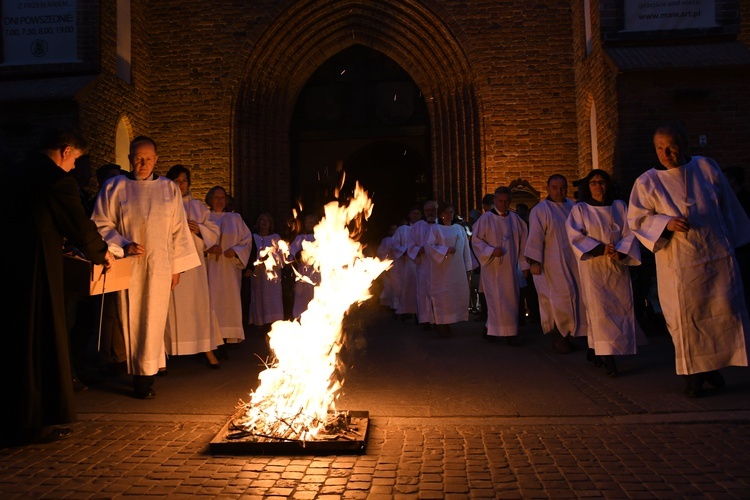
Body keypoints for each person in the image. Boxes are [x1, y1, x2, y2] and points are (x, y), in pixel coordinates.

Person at [2, 128, 114, 446]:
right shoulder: (56, 179)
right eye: (75, 159)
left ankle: (10, 419)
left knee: (13, 345)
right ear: (65, 151)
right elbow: (78, 224)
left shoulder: (15, 171)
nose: (74, 167)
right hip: (36, 273)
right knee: (39, 343)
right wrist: (101, 253)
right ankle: (35, 424)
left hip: (9, 272)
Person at [628, 122, 750, 397]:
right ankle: (692, 375)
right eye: (660, 148)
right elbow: (637, 219)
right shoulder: (647, 182)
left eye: (671, 147)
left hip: (715, 258)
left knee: (719, 314)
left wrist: (736, 242)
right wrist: (665, 224)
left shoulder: (706, 168)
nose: (666, 153)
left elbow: (728, 205)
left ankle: (711, 366)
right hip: (678, 265)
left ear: (684, 145)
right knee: (686, 319)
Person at [91, 136, 200, 400]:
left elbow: (178, 231)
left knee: (153, 317)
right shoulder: (114, 187)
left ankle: (146, 376)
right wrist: (122, 244)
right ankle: (137, 369)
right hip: (129, 264)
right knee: (130, 316)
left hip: (160, 264)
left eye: (148, 159)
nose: (143, 163)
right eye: (138, 158)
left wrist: (177, 268)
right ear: (129, 158)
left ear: (156, 160)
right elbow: (100, 224)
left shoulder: (168, 189)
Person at [566, 169, 641, 377]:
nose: (598, 186)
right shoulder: (580, 209)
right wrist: (599, 249)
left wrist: (622, 251)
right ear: (587, 187)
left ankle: (596, 349)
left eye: (602, 182)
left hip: (616, 267)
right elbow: (574, 235)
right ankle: (610, 360)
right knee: (600, 311)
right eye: (593, 183)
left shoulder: (619, 206)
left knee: (619, 308)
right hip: (594, 268)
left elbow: (630, 232)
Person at [164, 165, 223, 368]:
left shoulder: (198, 207)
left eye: (184, 181)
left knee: (197, 305)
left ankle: (207, 349)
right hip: (170, 263)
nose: (180, 185)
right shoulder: (162, 204)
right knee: (169, 308)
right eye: (176, 181)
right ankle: (163, 353)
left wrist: (200, 230)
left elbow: (214, 232)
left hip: (194, 265)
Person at [525, 174, 588, 353]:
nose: (559, 191)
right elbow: (536, 236)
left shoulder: (573, 207)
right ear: (548, 188)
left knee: (575, 299)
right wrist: (535, 261)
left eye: (562, 187)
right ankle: (558, 338)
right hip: (551, 264)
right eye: (555, 187)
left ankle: (568, 336)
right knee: (557, 301)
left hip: (573, 261)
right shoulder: (541, 210)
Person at [471, 187, 529, 346]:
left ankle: (509, 331)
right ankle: (496, 331)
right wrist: (490, 250)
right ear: (495, 200)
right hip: (492, 268)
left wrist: (524, 265)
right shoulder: (486, 219)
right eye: (500, 201)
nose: (503, 204)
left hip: (510, 268)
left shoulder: (516, 220)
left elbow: (524, 243)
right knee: (495, 299)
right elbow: (475, 241)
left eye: (506, 201)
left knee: (511, 298)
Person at [204, 185, 253, 348]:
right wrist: (208, 249)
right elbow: (195, 240)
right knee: (211, 301)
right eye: (216, 197)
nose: (219, 201)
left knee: (229, 302)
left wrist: (236, 250)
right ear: (210, 199)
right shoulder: (204, 217)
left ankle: (227, 337)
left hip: (229, 269)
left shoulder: (235, 218)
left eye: (222, 198)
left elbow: (246, 240)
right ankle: (213, 339)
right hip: (210, 268)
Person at [425, 201, 475, 337]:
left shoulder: (459, 229)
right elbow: (429, 247)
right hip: (441, 270)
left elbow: (465, 249)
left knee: (455, 295)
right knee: (442, 296)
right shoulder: (435, 229)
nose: (449, 215)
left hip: (457, 268)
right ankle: (441, 323)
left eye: (451, 212)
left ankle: (449, 321)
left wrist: (468, 267)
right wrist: (445, 250)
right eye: (446, 212)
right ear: (441, 214)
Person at [246, 212, 286, 330]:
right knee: (258, 295)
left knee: (272, 296)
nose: (264, 223)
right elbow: (250, 252)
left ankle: (273, 321)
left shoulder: (275, 237)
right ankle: (260, 321)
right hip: (257, 272)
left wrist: (271, 258)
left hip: (272, 273)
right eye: (262, 220)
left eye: (267, 220)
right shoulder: (253, 237)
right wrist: (258, 258)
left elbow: (281, 254)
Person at [409, 200, 439, 328]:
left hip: (439, 265)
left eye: (433, 210)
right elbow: (410, 244)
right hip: (424, 265)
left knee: (439, 293)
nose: (430, 213)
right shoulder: (417, 226)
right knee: (424, 292)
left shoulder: (442, 224)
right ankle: (425, 319)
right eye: (427, 210)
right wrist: (417, 250)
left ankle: (440, 320)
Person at [288, 213, 321, 319]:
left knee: (316, 296)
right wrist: (299, 255)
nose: (309, 224)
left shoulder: (320, 237)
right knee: (300, 297)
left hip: (316, 272)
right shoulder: (299, 238)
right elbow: (291, 254)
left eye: (311, 222)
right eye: (307, 222)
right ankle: (299, 318)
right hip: (302, 272)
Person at [391, 207, 421, 321]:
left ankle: (422, 316)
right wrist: (404, 251)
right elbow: (394, 244)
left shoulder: (425, 228)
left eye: (418, 213)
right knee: (408, 289)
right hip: (408, 264)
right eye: (413, 213)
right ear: (409, 215)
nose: (415, 215)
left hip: (422, 264)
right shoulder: (403, 229)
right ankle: (407, 312)